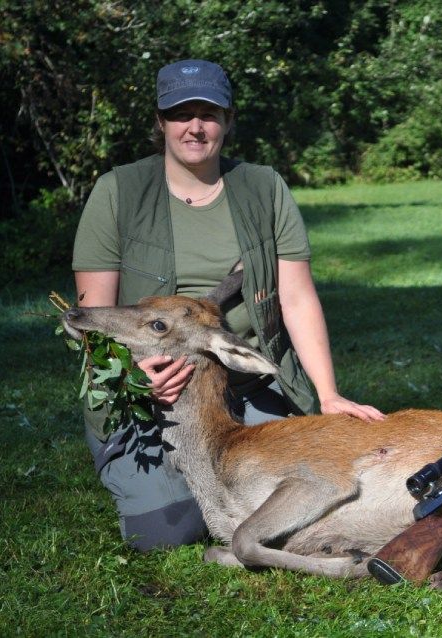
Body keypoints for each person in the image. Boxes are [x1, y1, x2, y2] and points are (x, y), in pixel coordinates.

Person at [72, 59, 385, 551]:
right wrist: (138, 380)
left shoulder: (263, 188)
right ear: (161, 121)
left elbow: (297, 296)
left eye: (209, 113)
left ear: (228, 120)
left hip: (246, 380)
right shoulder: (119, 191)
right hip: (150, 391)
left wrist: (327, 395)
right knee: (168, 532)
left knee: (303, 502)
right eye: (181, 113)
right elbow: (92, 317)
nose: (195, 127)